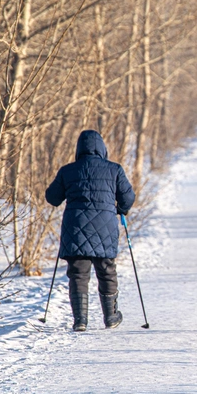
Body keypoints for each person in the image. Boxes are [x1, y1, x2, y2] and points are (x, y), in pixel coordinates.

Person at [46, 130, 135, 332]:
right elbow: (128, 198)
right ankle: (111, 316)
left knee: (78, 273)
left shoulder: (67, 171)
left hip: (75, 227)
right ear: (102, 149)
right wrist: (120, 208)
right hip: (105, 226)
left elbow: (52, 198)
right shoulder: (114, 169)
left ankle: (80, 320)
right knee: (106, 270)